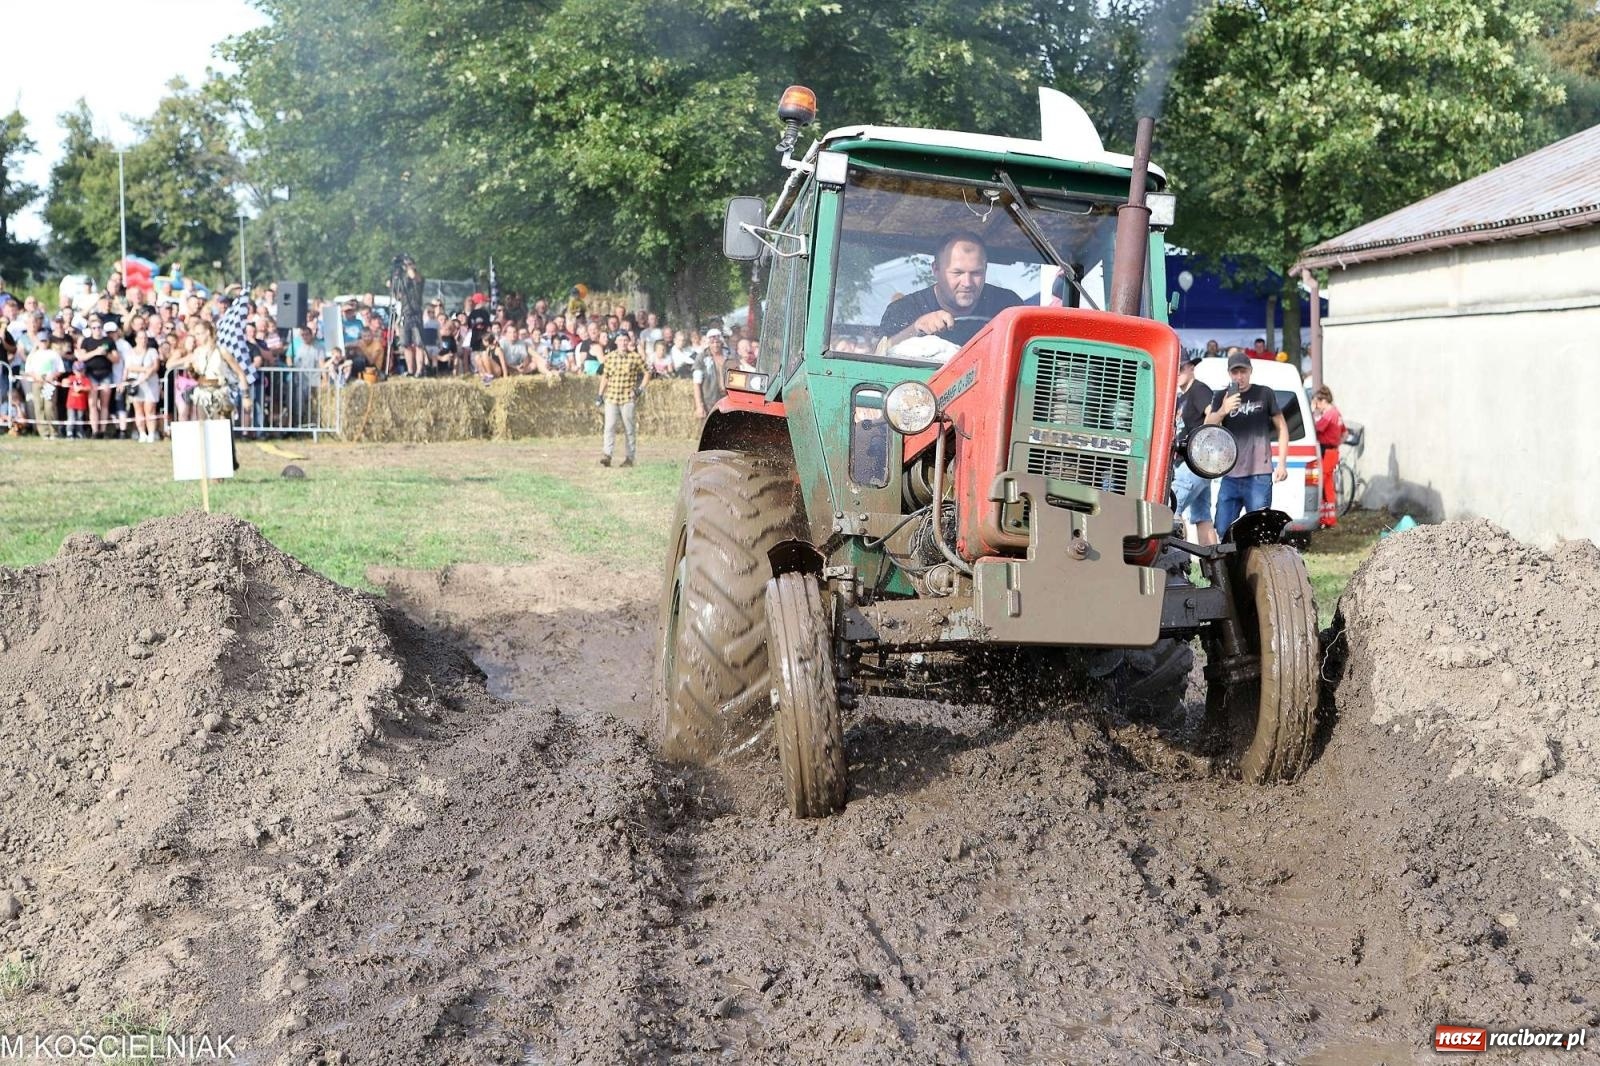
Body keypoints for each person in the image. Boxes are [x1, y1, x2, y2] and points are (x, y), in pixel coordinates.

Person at [878, 231, 1022, 352]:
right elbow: (880, 354)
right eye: (957, 273)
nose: (967, 283)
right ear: (936, 270)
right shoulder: (904, 309)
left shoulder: (1008, 306)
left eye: (976, 273)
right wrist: (916, 328)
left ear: (986, 270)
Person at [1205, 350, 1289, 539]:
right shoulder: (1221, 396)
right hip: (1230, 474)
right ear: (1229, 374)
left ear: (1250, 371)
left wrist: (1282, 463)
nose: (1239, 377)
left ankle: (1259, 566)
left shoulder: (1264, 393)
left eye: (1243, 372)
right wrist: (1223, 411)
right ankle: (1231, 565)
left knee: (1261, 531)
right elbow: (1206, 428)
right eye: (1235, 373)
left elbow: (1282, 427)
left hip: (1260, 474)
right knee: (1223, 528)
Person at [1170, 351, 1217, 546]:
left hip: (1193, 462)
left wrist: (1200, 443)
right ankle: (1215, 568)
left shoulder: (1199, 390)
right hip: (1197, 463)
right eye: (1175, 368)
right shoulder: (1183, 395)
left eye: (1181, 368)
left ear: (1191, 367)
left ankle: (1180, 562)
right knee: (1202, 516)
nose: (1178, 372)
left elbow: (1213, 415)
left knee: (1171, 511)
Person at [597, 332, 651, 467]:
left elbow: (647, 372)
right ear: (616, 342)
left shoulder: (635, 357)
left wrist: (640, 389)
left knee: (629, 429)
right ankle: (607, 455)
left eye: (625, 340)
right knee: (609, 427)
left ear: (629, 342)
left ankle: (630, 458)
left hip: (627, 398)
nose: (623, 343)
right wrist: (600, 394)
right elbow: (606, 377)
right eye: (620, 340)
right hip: (612, 397)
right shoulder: (610, 357)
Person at [1312, 384, 1345, 529]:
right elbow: (1345, 432)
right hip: (1332, 450)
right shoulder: (1336, 412)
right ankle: (1328, 517)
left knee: (1325, 484)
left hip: (1328, 451)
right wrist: (1337, 443)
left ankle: (1328, 519)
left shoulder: (1329, 413)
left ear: (1323, 400)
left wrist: (1313, 412)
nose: (1317, 405)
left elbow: (1318, 428)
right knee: (1327, 483)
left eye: (1317, 402)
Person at [391, 255, 426, 376]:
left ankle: (419, 370)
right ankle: (410, 370)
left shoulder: (418, 278)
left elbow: (413, 275)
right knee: (406, 344)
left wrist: (407, 263)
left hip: (415, 313)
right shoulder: (403, 280)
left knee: (418, 343)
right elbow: (398, 296)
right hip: (405, 314)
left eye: (410, 264)